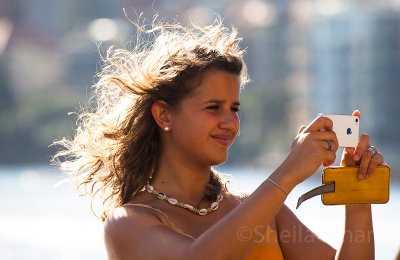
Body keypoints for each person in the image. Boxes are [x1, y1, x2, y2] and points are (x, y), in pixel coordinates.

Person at [53, 18, 385, 259]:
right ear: (164, 115)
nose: (230, 122)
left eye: (234, 108)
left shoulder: (263, 210)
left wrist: (356, 206)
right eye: (214, 107)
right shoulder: (129, 224)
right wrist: (288, 172)